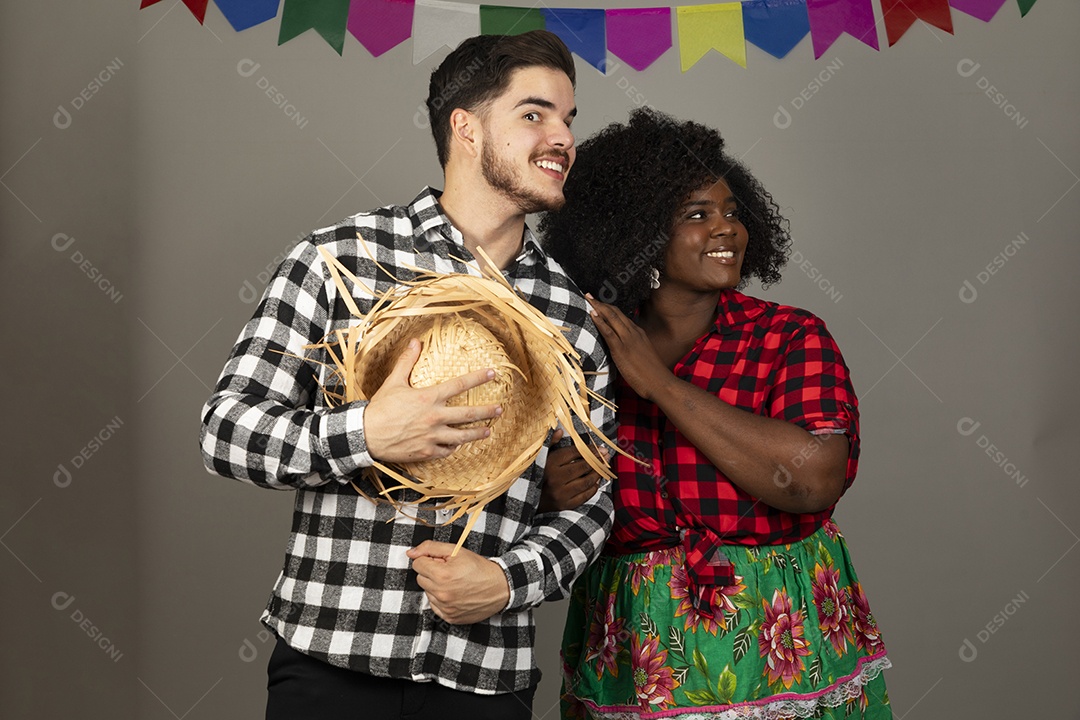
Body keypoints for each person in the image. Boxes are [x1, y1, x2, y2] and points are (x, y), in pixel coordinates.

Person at [200, 30, 615, 720]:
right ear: (467, 129)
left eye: (569, 120)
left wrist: (510, 581)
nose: (563, 139)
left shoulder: (570, 314)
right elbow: (226, 431)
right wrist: (366, 431)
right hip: (328, 665)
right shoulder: (340, 259)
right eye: (535, 115)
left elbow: (590, 504)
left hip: (484, 678)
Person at [539, 108, 891, 719]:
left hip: (779, 632)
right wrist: (545, 494)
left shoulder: (788, 336)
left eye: (732, 212)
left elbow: (812, 480)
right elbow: (519, 489)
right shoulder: (581, 354)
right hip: (637, 645)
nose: (726, 229)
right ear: (637, 231)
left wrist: (659, 385)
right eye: (697, 215)